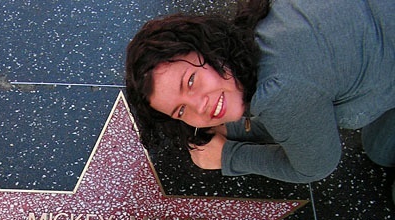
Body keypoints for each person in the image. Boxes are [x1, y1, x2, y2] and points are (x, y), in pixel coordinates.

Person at [125, 0, 395, 190]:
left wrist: (229, 157)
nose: (200, 107)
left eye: (191, 81)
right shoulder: (258, 29)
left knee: (383, 152)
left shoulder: (279, 92)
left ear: (206, 48)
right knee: (378, 150)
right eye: (181, 111)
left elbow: (315, 166)